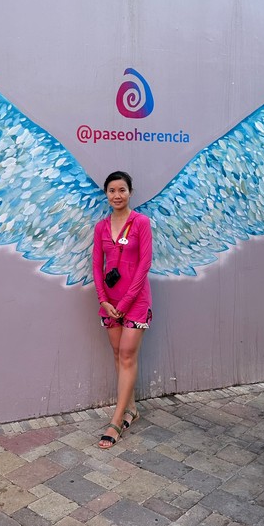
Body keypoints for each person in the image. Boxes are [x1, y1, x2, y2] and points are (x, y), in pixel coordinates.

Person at [92, 171, 153, 449]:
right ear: (106, 194)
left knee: (128, 355)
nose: (117, 195)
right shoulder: (101, 227)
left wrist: (125, 302)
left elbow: (144, 264)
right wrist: (103, 299)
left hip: (135, 301)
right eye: (112, 191)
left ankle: (116, 422)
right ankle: (131, 410)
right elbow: (97, 265)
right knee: (118, 354)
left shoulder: (141, 223)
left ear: (130, 192)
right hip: (109, 302)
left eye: (122, 190)